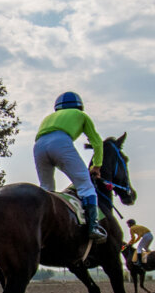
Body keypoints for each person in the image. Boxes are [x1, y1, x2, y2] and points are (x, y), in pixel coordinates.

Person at [33, 91, 107, 242]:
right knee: (86, 186)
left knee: (46, 188)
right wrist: (97, 166)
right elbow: (97, 142)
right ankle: (93, 226)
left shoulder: (48, 118)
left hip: (38, 146)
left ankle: (40, 224)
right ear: (79, 106)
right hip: (61, 142)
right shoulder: (82, 115)